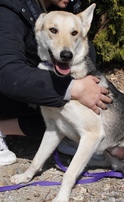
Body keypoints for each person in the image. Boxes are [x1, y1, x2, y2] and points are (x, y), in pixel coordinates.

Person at [0, 0, 111, 166]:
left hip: (30, 87)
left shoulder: (64, 8)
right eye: (53, 30)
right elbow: (7, 74)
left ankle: (67, 136)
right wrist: (74, 88)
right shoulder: (9, 11)